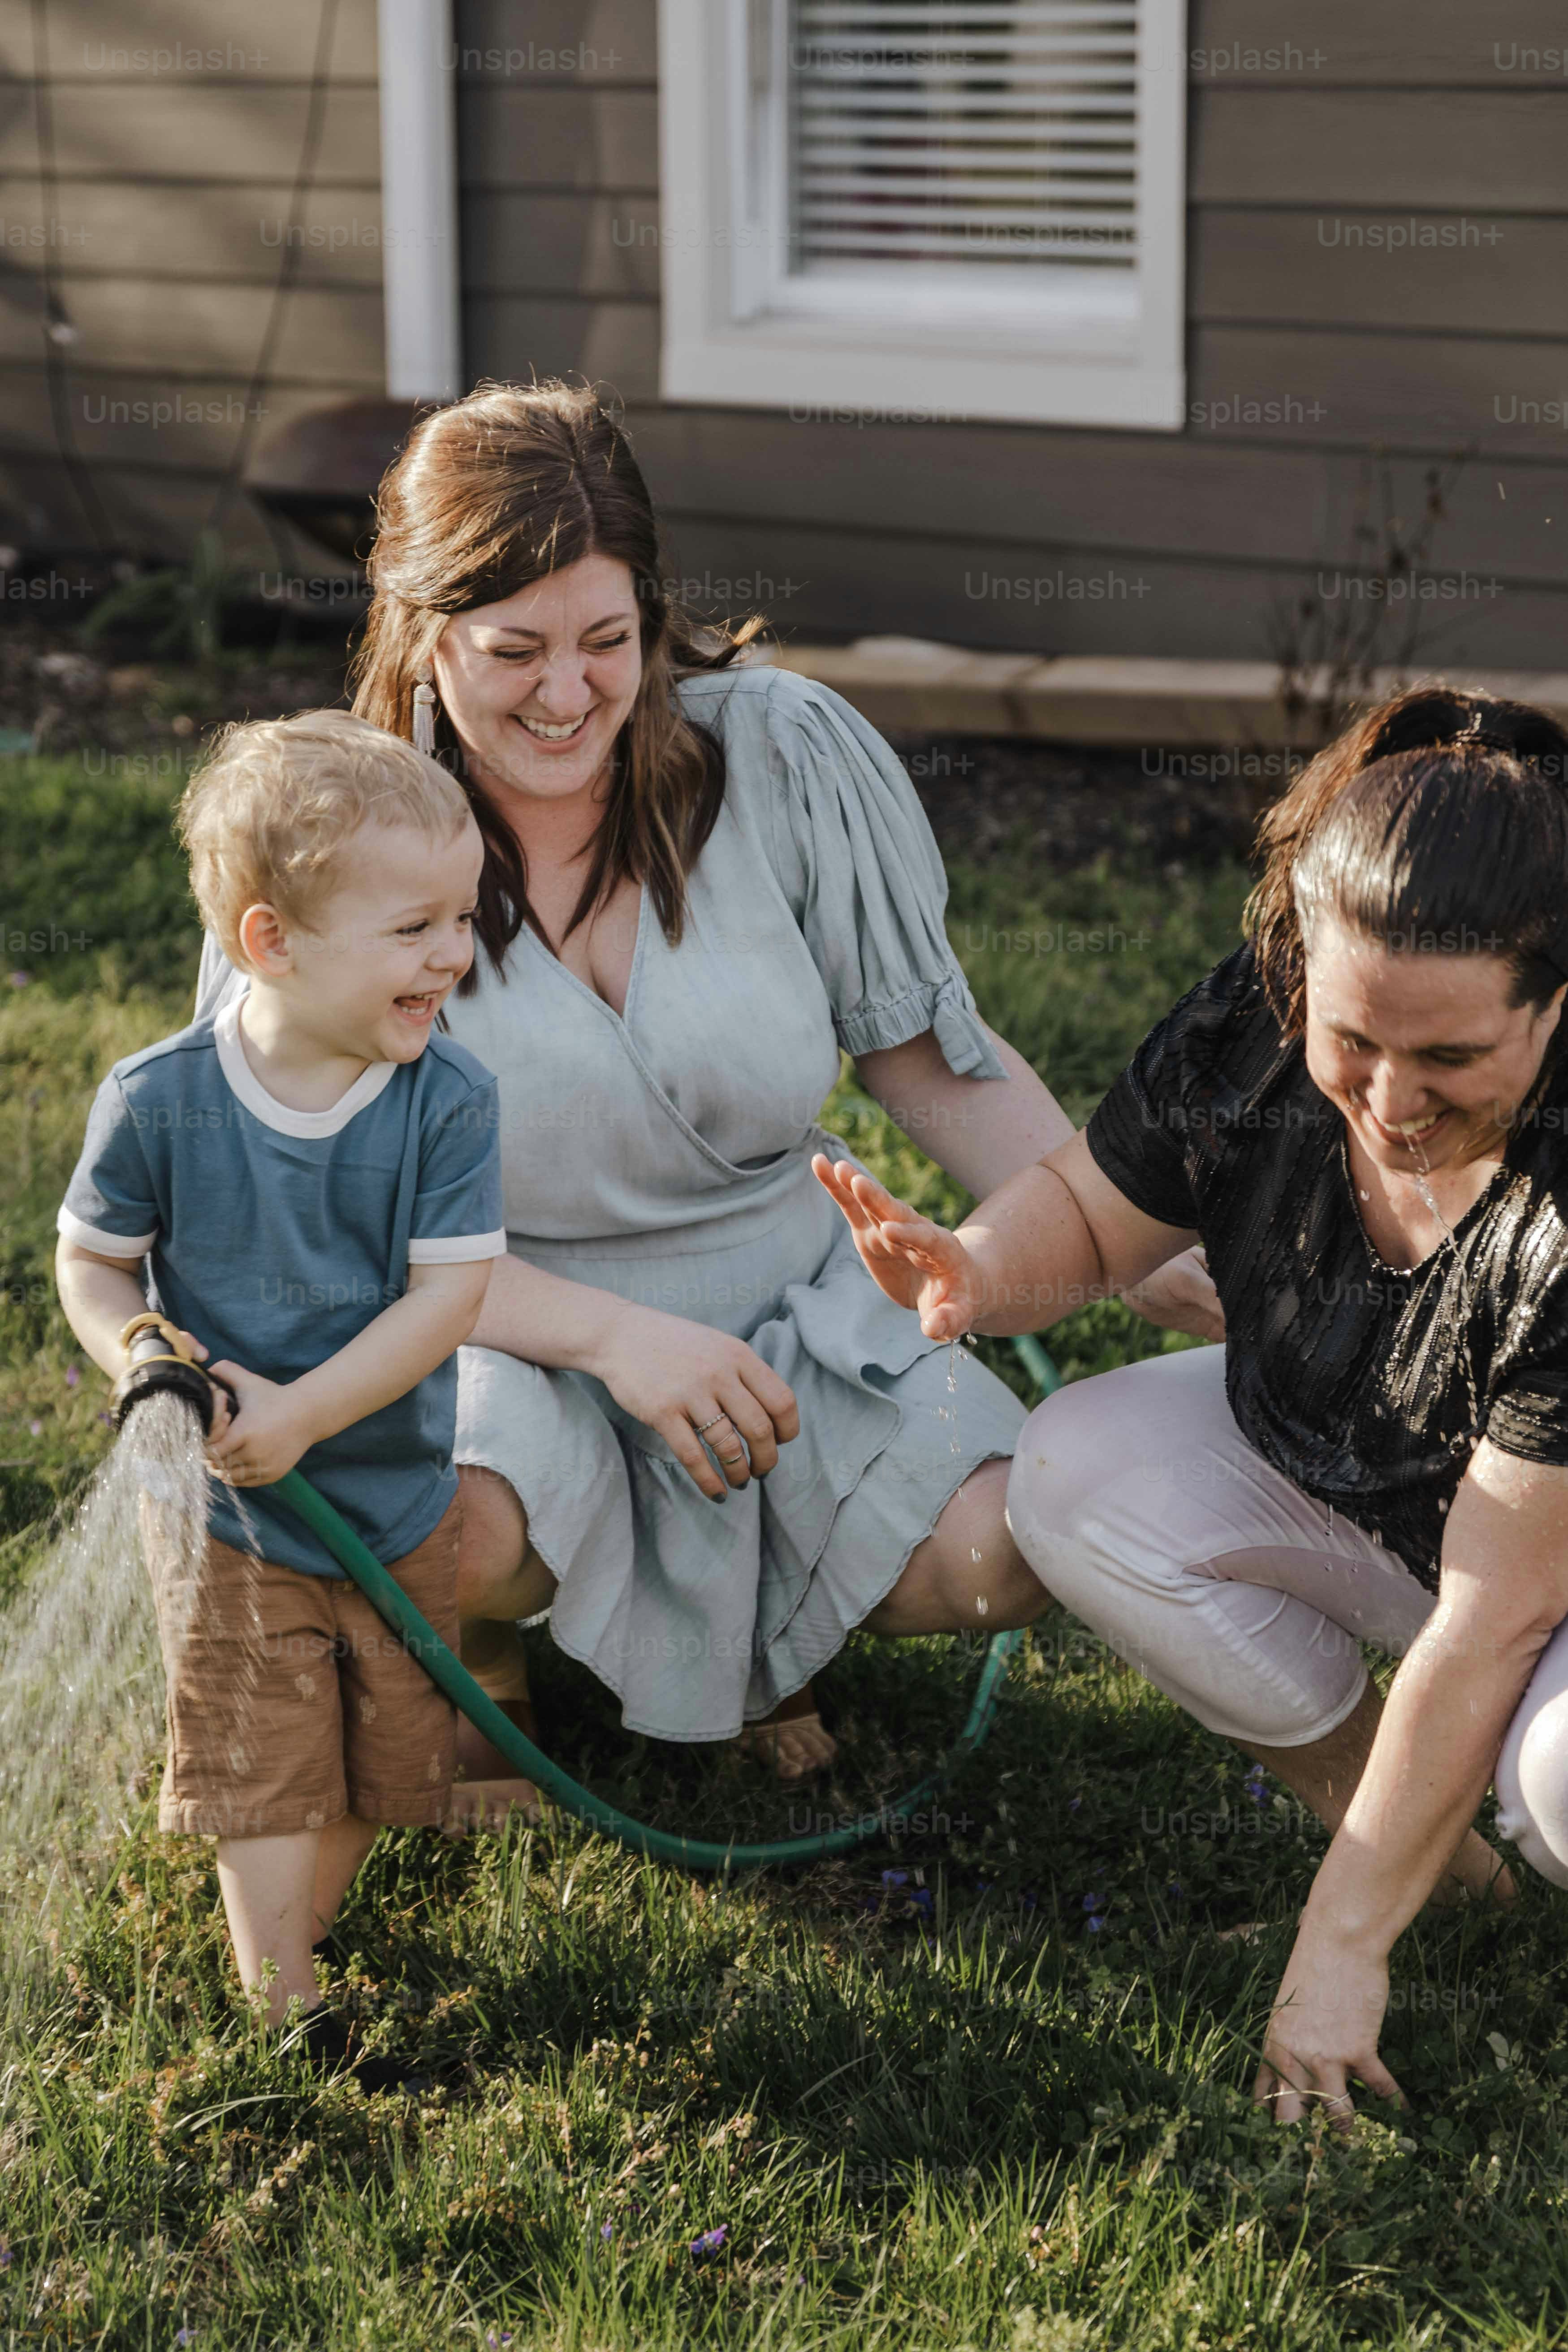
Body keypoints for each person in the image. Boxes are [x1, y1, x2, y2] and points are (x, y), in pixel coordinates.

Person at [194, 380, 1215, 1812]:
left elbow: (919, 1053)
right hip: (471, 1321)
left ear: (652, 611)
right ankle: (480, 1637)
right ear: (422, 632)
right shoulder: (325, 828)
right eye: (514, 650)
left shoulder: (782, 754)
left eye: (607, 640)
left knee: (1001, 1554)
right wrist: (613, 1340)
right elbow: (301, 1211)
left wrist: (1130, 1235)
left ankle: (752, 1624)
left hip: (777, 1296)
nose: (567, 696)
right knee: (440, 1528)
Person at [815, 685, 1568, 2125]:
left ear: (1553, 1004)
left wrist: (1336, 1953)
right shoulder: (1259, 1020)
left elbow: (1496, 1613)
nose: (1392, 1099)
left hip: (1530, 1580)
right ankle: (1427, 1862)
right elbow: (1095, 1225)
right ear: (1299, 978)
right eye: (1355, 1042)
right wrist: (972, 1272)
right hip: (1391, 1488)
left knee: (1560, 1784)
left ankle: (1420, 1874)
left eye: (1453, 1060)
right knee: (1081, 1470)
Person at [56, 710, 505, 2088]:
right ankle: (284, 1999)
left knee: (390, 1745)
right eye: (416, 926)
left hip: (390, 1492)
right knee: (261, 1753)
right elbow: (91, 1258)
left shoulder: (446, 1103)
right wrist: (136, 1350)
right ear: (271, 944)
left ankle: (304, 1918)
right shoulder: (160, 1098)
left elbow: (449, 1302)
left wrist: (306, 1412)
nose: (455, 954)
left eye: (466, 917)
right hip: (231, 1523)